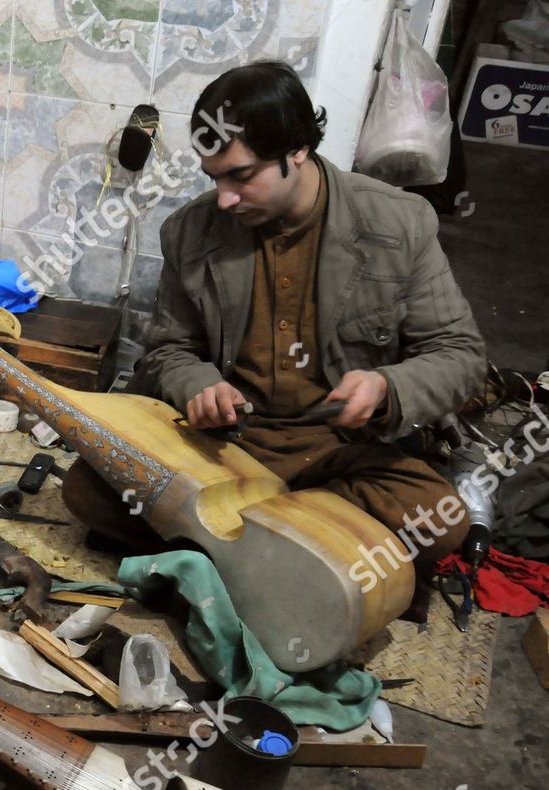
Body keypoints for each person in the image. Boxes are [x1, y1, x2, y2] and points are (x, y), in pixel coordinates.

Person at [62, 60, 486, 589]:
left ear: (297, 150)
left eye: (242, 176)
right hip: (227, 448)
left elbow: (460, 354)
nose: (226, 198)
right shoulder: (190, 232)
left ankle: (228, 542)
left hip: (338, 451)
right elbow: (169, 350)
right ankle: (291, 552)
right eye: (215, 178)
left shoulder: (398, 223)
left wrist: (385, 387)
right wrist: (201, 387)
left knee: (439, 521)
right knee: (87, 490)